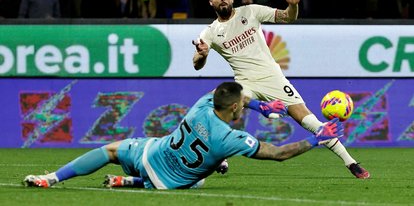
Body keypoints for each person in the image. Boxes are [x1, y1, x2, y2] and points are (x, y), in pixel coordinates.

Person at [192, 0, 370, 179]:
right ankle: (219, 156)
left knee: (309, 120)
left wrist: (292, 5)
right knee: (220, 103)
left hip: (273, 78)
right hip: (244, 82)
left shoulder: (251, 11)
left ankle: (350, 162)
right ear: (211, 2)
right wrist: (203, 54)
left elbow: (287, 17)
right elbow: (197, 62)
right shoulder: (210, 32)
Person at [23, 81, 343, 189]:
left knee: (109, 150)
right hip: (173, 182)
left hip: (151, 154)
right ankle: (141, 183)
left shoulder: (202, 104)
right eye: (241, 107)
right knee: (206, 171)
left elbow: (227, 92)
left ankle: (50, 179)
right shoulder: (231, 138)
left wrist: (260, 106)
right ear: (234, 108)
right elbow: (278, 153)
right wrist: (317, 137)